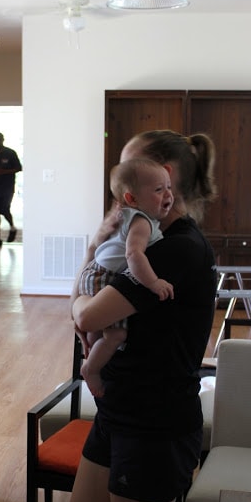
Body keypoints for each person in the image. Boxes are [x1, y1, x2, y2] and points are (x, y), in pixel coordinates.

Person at [63, 129, 217, 502]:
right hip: (118, 410)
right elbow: (84, 297)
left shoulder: (175, 249)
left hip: (155, 426)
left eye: (128, 171)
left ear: (162, 175)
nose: (119, 194)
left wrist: (80, 305)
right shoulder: (147, 242)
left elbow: (86, 314)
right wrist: (92, 248)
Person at [78, 157, 174, 398]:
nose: (168, 195)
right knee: (117, 334)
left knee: (100, 328)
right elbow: (133, 254)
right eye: (158, 190)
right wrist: (153, 282)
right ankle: (91, 370)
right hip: (104, 276)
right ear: (132, 199)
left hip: (95, 271)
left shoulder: (134, 216)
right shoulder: (142, 222)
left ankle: (92, 356)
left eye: (169, 187)